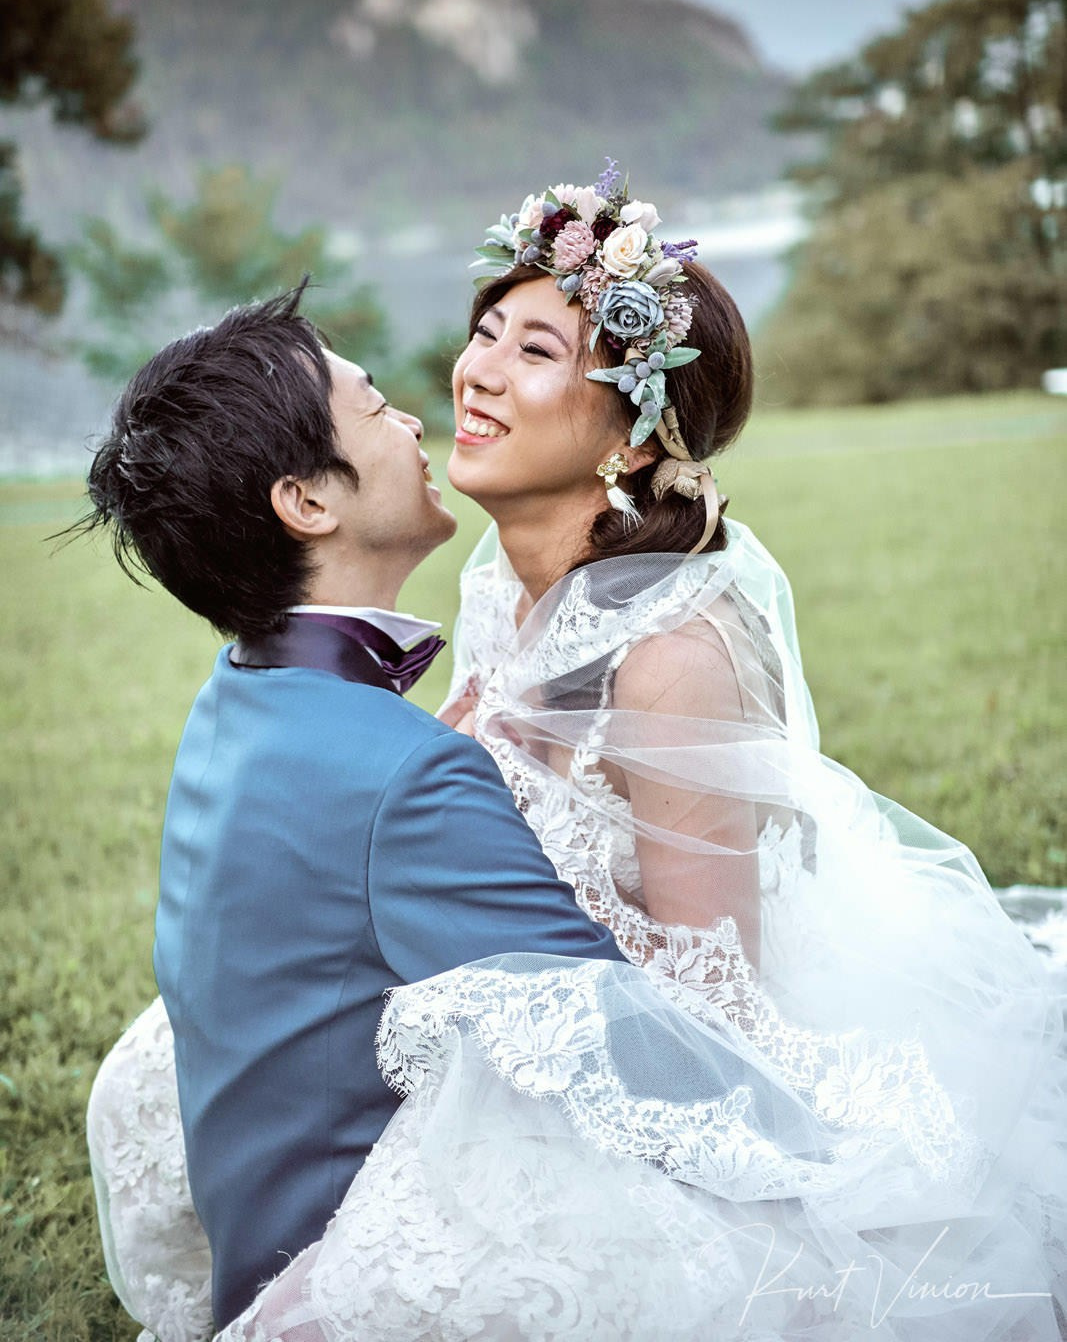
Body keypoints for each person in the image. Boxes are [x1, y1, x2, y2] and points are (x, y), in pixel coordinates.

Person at [89, 170, 1067, 1341]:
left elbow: (718, 1009)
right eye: (484, 331)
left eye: (536, 351)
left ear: (628, 427)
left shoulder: (671, 657)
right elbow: (452, 782)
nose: (471, 374)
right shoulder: (500, 579)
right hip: (512, 987)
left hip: (669, 1046)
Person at [77, 285, 626, 1335]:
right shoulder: (404, 774)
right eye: (374, 407)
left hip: (256, 1213)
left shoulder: (240, 691)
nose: (415, 419)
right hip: (343, 1276)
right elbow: (610, 1045)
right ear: (308, 502)